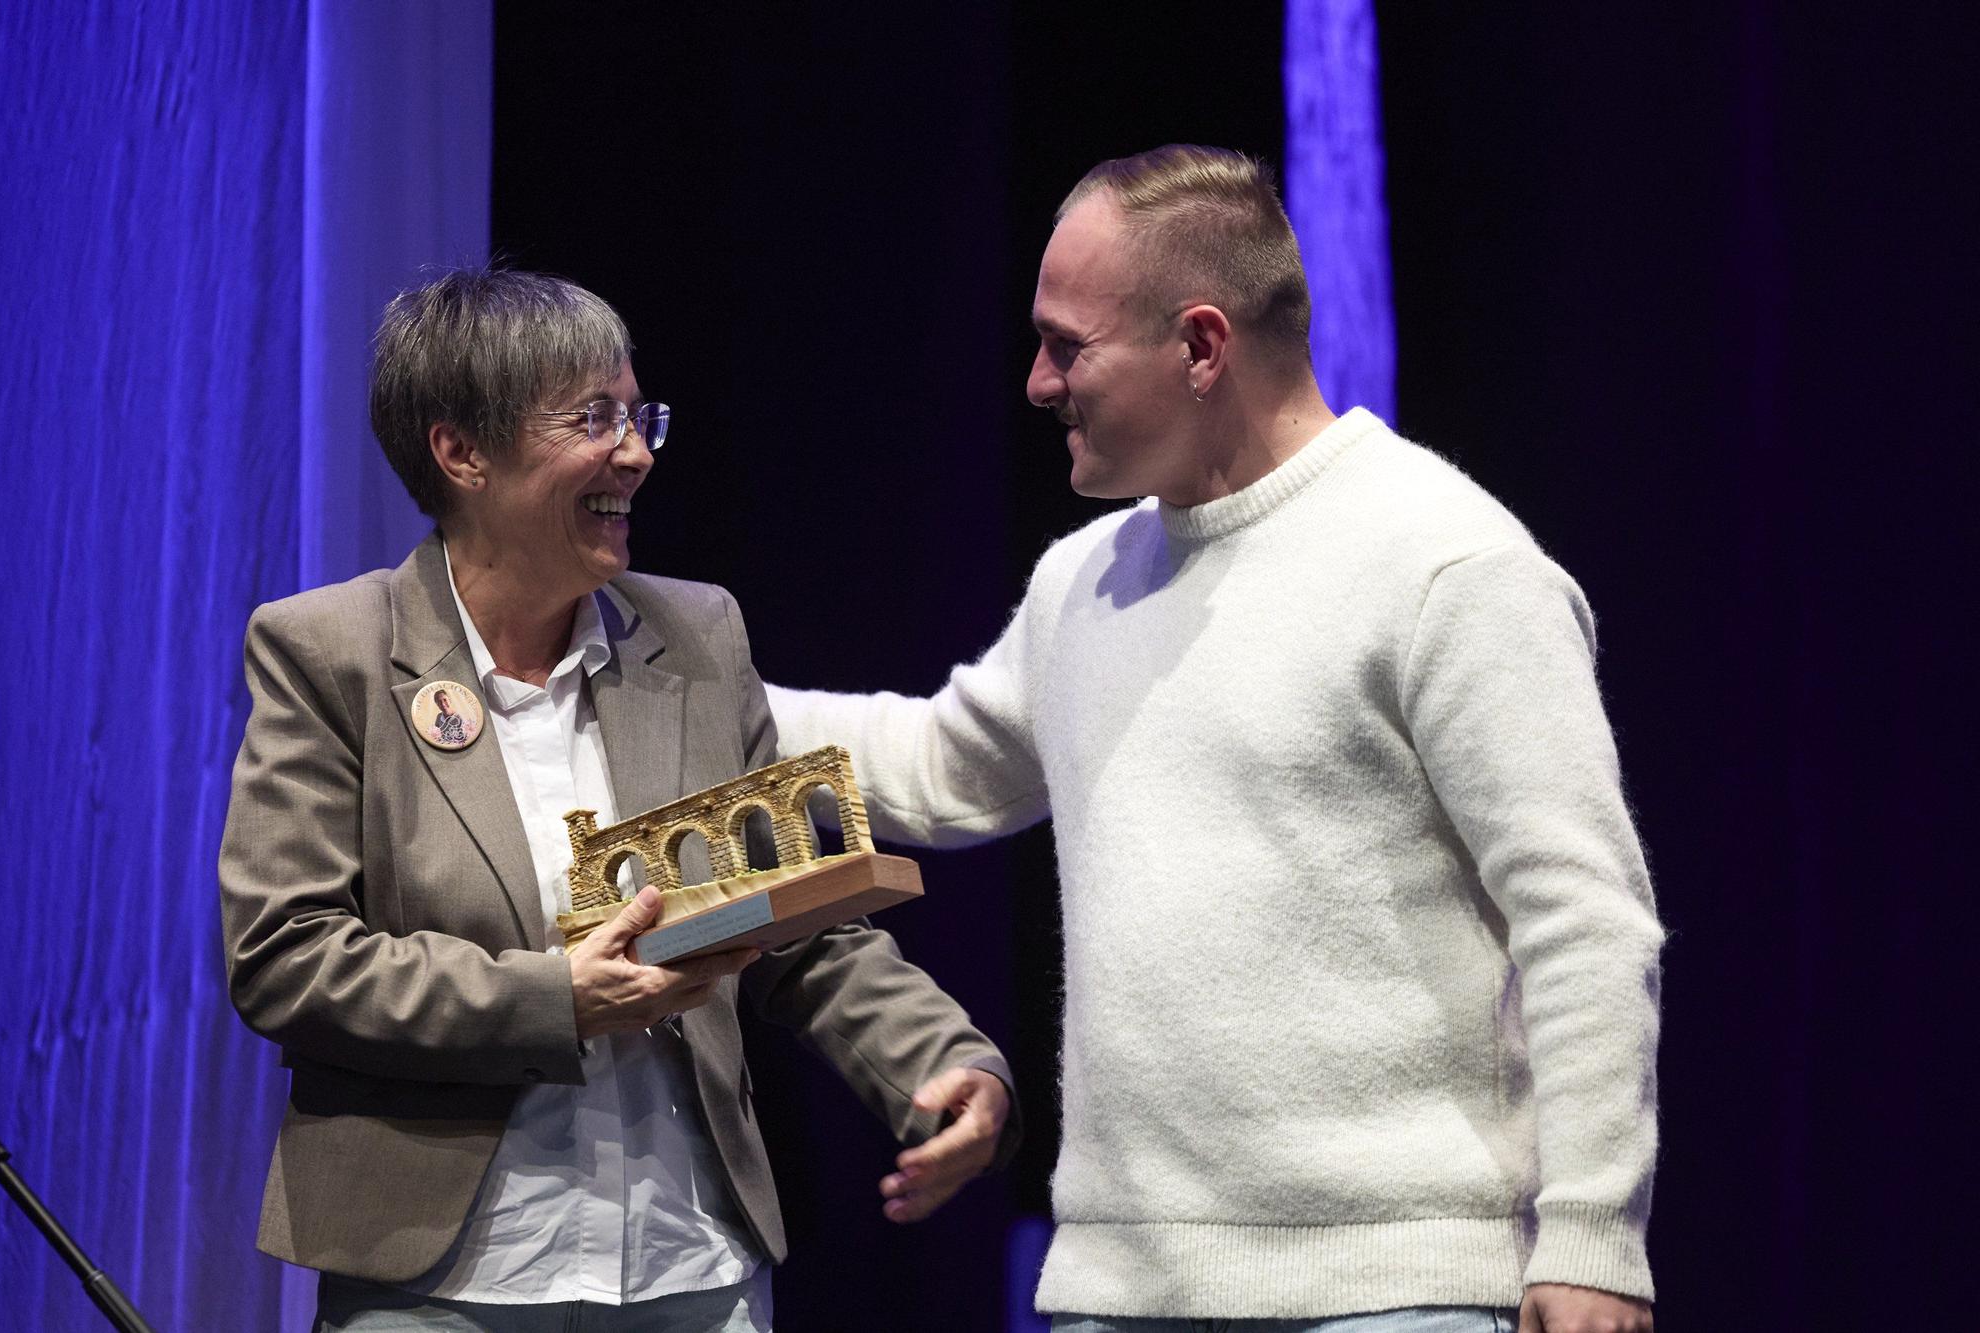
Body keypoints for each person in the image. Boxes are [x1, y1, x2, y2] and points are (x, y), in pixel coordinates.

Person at [765, 146, 1663, 1333]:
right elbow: (936, 767)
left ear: (1198, 347)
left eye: (1065, 345)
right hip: (1118, 1291)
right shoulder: (1087, 578)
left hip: (1393, 1291)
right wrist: (671, 684)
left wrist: (1593, 1237)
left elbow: (1582, 914)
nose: (1034, 383)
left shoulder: (1445, 564)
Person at [219, 268, 1015, 1332]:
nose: (636, 452)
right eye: (593, 418)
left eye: (639, 415)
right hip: (444, 1281)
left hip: (688, 1261)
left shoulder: (695, 637)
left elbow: (796, 922)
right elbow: (286, 954)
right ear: (462, 453)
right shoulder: (332, 654)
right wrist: (552, 999)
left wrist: (943, 1059)